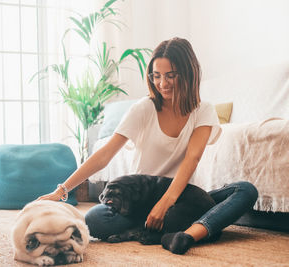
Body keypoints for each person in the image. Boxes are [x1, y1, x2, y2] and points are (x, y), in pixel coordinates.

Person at [37, 37, 258, 255]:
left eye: (171, 75)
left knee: (246, 190)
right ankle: (180, 228)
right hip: (139, 201)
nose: (162, 83)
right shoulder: (144, 108)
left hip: (182, 198)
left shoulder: (203, 110)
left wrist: (164, 204)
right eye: (157, 76)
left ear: (189, 73)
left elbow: (193, 158)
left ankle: (186, 236)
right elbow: (105, 154)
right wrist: (62, 190)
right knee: (95, 220)